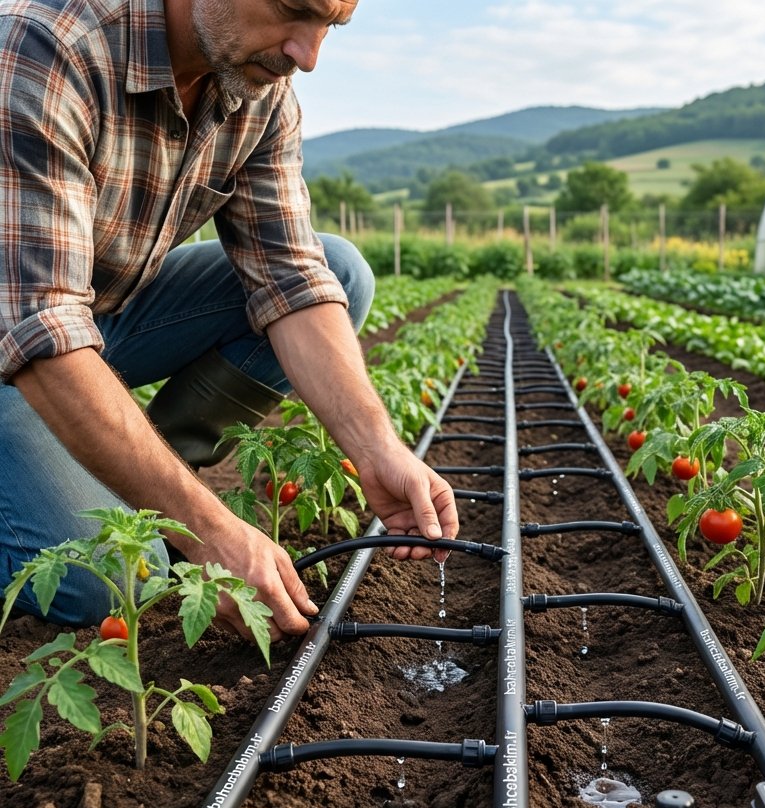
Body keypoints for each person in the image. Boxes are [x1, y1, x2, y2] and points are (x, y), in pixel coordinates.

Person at [0, 0, 459, 643]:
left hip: (95, 319)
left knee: (338, 272)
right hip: (21, 340)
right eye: (293, 11)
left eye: (331, 26)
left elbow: (292, 280)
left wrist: (378, 450)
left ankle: (137, 485)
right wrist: (210, 532)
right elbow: (40, 329)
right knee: (114, 578)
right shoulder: (49, 47)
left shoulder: (257, 87)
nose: (308, 54)